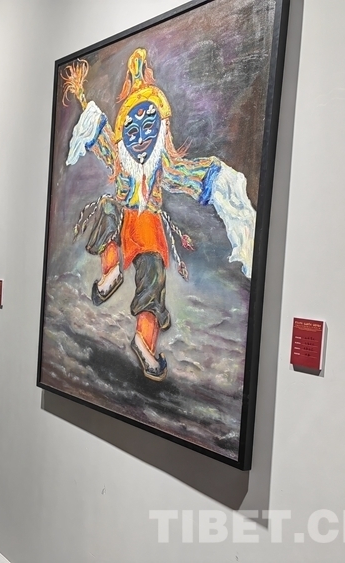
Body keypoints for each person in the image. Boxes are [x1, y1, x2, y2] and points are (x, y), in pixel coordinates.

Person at [63, 49, 256, 381]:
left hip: (148, 227)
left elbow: (190, 175)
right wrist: (82, 96)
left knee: (151, 279)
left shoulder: (163, 167)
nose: (140, 139)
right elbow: (99, 132)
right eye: (132, 131)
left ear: (162, 129)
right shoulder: (118, 158)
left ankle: (145, 341)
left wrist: (220, 183)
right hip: (124, 217)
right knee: (108, 209)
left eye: (148, 127)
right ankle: (110, 271)